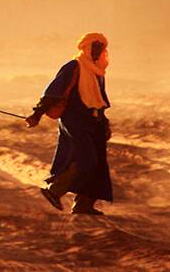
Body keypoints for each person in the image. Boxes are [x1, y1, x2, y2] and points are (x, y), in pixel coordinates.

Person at [25, 32, 113, 215]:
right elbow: (53, 92)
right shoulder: (73, 66)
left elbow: (99, 99)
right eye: (94, 47)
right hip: (74, 120)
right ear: (86, 47)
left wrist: (104, 123)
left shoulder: (98, 71)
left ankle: (83, 204)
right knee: (86, 159)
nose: (98, 51)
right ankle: (54, 191)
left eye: (101, 48)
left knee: (98, 164)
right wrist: (37, 114)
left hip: (94, 121)